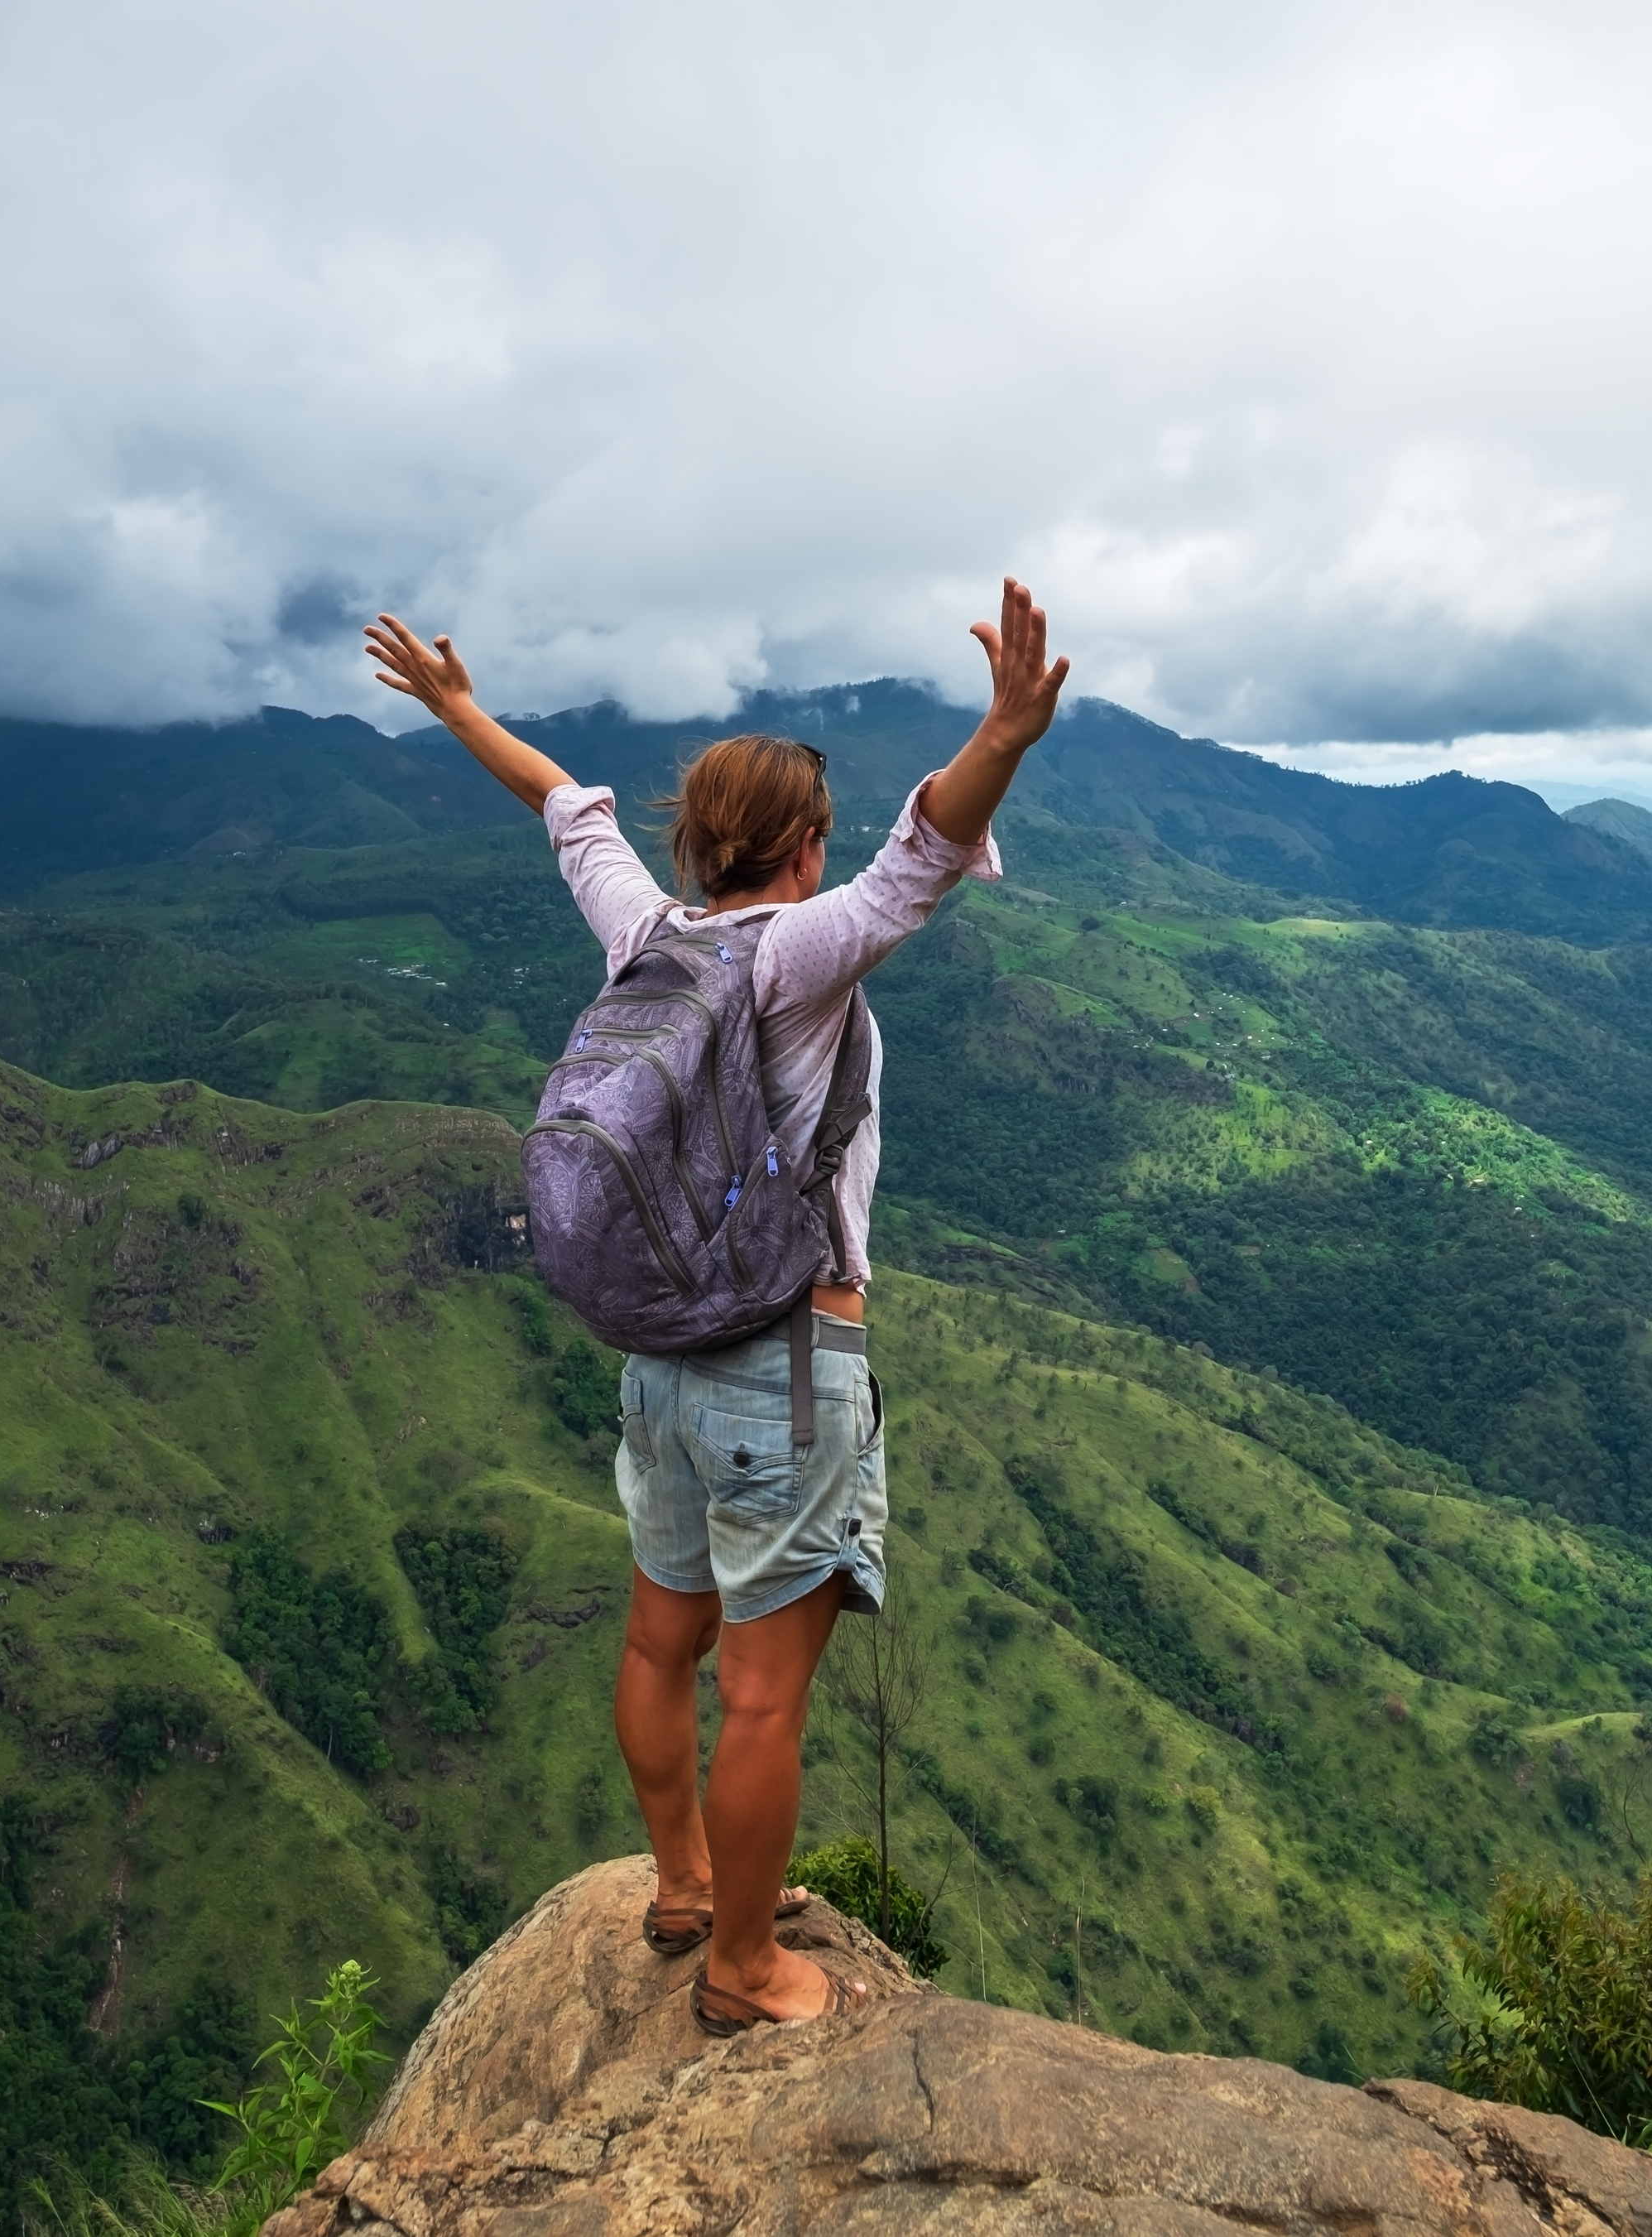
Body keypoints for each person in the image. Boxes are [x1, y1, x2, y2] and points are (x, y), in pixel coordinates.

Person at [363, 580, 1069, 2030]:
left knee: (653, 1643)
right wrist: (1003, 732)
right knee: (761, 1695)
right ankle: (743, 1969)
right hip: (779, 1371)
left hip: (657, 1369)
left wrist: (453, 710)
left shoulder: (650, 939)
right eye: (822, 839)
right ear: (800, 848)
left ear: (698, 841)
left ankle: (687, 1887)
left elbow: (566, 808)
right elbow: (924, 854)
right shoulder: (792, 956)